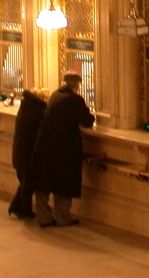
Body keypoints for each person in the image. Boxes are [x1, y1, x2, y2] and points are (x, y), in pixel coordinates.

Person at [32, 71, 94, 228]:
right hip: (64, 149)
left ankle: (44, 217)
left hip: (45, 146)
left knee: (44, 183)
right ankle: (63, 217)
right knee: (63, 184)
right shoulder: (74, 100)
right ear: (75, 84)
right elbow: (87, 120)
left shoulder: (54, 95)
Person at [7, 88, 49, 219]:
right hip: (28, 155)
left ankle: (21, 208)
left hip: (20, 153)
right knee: (28, 183)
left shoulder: (26, 108)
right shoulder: (38, 111)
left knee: (26, 182)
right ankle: (20, 208)